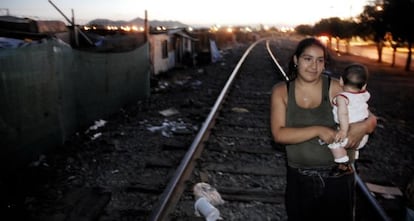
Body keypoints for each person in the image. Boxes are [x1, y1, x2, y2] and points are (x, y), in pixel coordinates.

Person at [270, 37, 377, 221]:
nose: (314, 66)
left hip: (339, 178)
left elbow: (371, 118)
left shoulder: (335, 87)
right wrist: (318, 130)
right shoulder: (282, 91)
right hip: (300, 178)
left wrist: (363, 127)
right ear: (296, 60)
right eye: (307, 59)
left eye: (320, 60)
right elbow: (279, 134)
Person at [328, 63, 371, 177]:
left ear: (341, 81)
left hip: (349, 135)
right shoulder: (364, 95)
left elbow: (343, 114)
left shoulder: (342, 98)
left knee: (333, 143)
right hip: (363, 136)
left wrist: (343, 131)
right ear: (363, 86)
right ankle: (354, 160)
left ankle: (343, 164)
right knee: (353, 147)